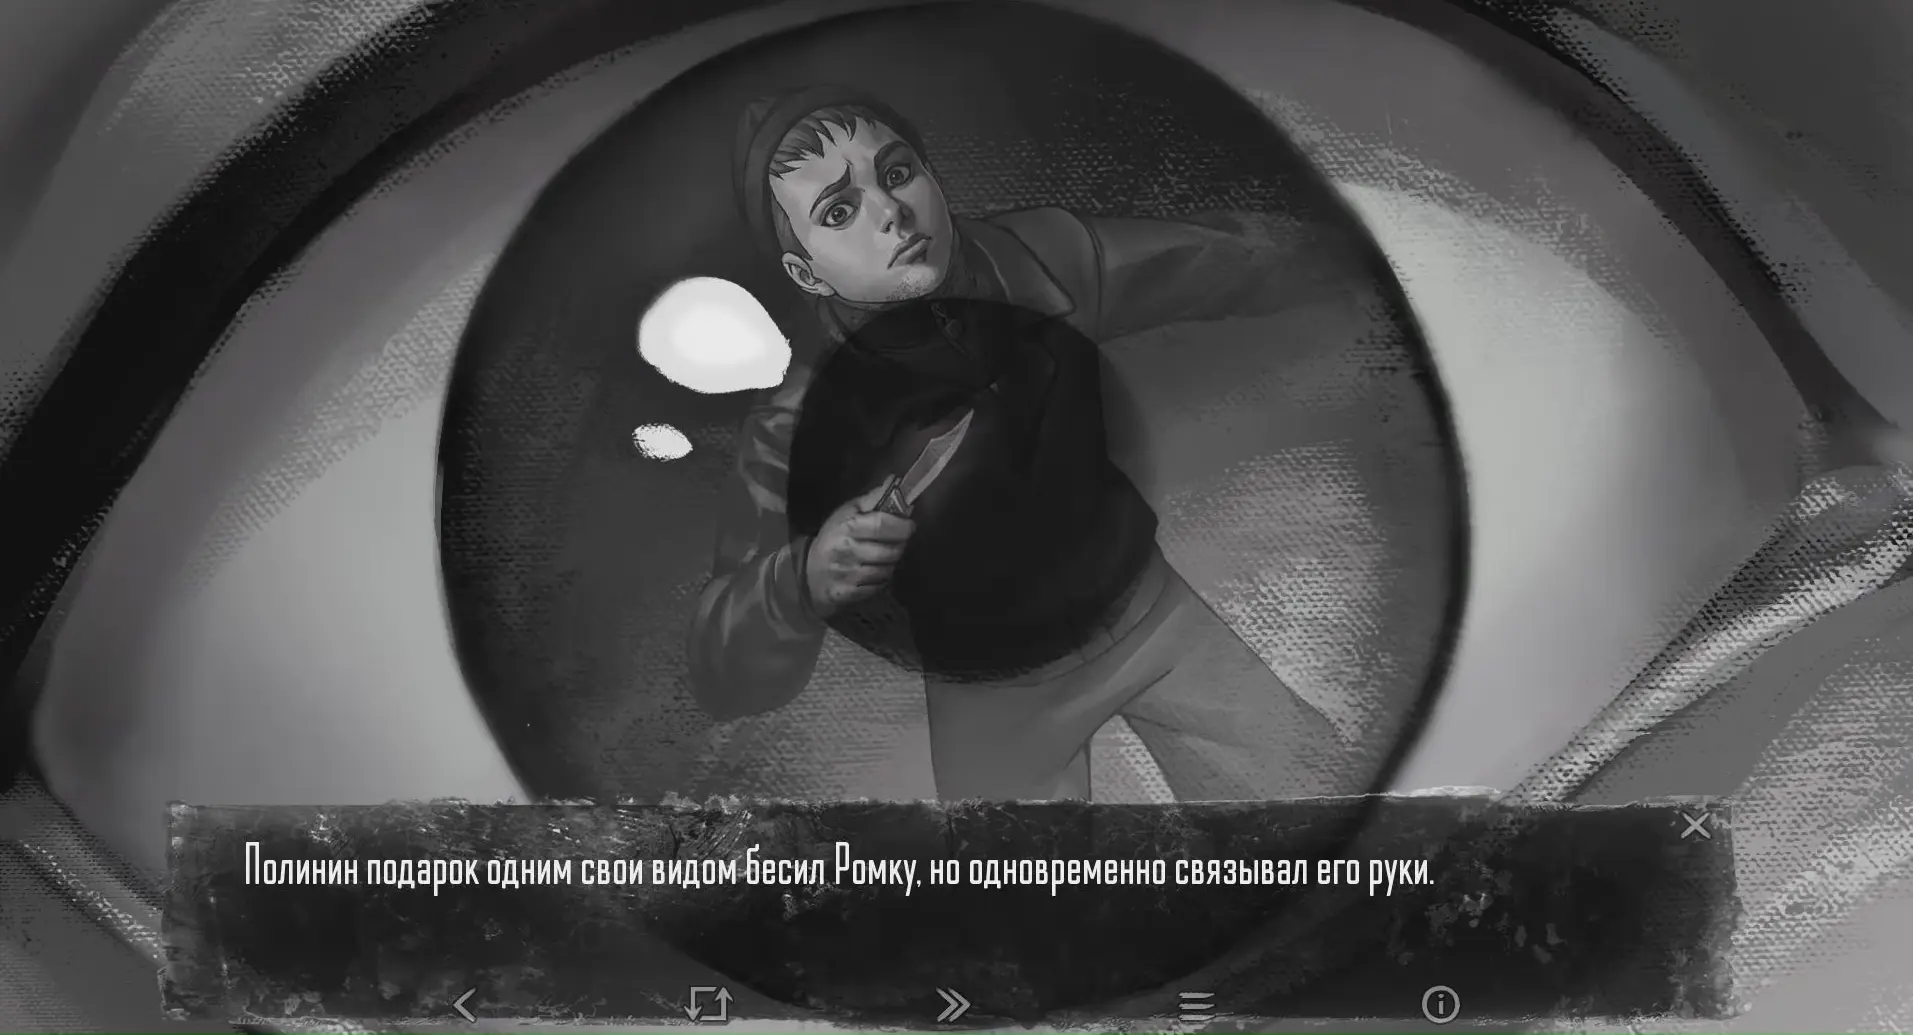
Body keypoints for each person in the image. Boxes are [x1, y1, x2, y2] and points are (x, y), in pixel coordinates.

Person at [686, 84, 1355, 801]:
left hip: (1144, 609)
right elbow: (719, 664)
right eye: (839, 212)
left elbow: (1212, 258)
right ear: (805, 273)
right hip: (991, 691)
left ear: (932, 175)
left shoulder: (1037, 257)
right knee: (1015, 869)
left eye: (897, 172)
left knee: (1316, 798)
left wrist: (1355, 253)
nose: (890, 213)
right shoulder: (795, 423)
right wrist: (804, 577)